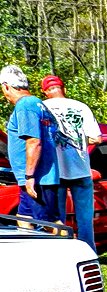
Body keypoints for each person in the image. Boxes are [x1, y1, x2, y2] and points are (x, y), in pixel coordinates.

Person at [41, 74, 102, 251]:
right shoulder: (81, 107)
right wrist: (78, 141)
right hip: (81, 169)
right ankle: (89, 254)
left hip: (55, 172)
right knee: (85, 219)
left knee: (58, 220)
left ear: (45, 92)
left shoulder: (42, 107)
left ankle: (64, 255)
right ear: (63, 89)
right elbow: (97, 139)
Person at [1, 64, 61, 227]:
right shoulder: (38, 104)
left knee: (51, 225)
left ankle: (76, 252)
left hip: (38, 179)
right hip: (38, 178)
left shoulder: (25, 106)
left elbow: (34, 141)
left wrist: (29, 177)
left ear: (6, 86)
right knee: (24, 219)